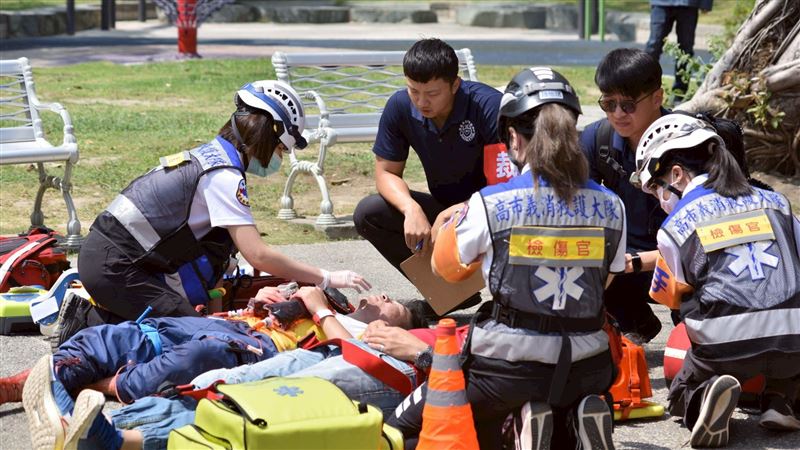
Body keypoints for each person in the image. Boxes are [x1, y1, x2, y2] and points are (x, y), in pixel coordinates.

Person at [391, 67, 624, 449]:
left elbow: (444, 270)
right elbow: (606, 281)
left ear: (513, 138)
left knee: (403, 429)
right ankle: (565, 424)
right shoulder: (613, 205)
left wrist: (458, 226)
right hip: (589, 365)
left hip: (508, 368)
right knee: (551, 393)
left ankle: (519, 428)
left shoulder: (491, 203)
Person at [62, 80, 371, 341]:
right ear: (268, 133)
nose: (278, 158)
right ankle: (87, 326)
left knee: (190, 316)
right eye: (280, 148)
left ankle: (99, 321)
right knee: (198, 336)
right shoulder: (224, 175)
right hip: (115, 266)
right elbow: (258, 255)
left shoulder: (210, 156)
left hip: (109, 257)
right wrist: (326, 277)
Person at [17, 287, 424, 450]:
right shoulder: (339, 303)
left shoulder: (385, 341)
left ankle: (113, 435)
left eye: (395, 306)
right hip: (252, 331)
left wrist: (321, 311)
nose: (384, 297)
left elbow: (355, 351)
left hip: (310, 356)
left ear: (404, 328)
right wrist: (271, 296)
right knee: (202, 378)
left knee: (236, 401)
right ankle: (74, 415)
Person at [630, 113, 800, 447]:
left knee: (680, 385)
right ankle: (782, 401)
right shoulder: (778, 202)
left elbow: (672, 295)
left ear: (676, 174)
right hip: (794, 337)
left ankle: (704, 395)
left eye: (657, 188)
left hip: (725, 345)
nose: (659, 199)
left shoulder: (674, 226)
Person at [353, 38, 512, 313]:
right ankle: (451, 294)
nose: (421, 102)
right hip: (443, 210)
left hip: (492, 211)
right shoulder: (400, 106)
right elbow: (386, 172)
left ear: (455, 84)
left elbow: (508, 190)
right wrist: (411, 209)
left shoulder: (489, 106)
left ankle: (511, 301)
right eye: (413, 90)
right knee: (369, 212)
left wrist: (458, 212)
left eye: (432, 93)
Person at [580, 48, 668, 344]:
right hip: (625, 259)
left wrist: (642, 260)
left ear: (657, 98)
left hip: (679, 258)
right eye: (609, 103)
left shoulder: (689, 142)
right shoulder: (596, 139)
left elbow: (703, 237)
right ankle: (634, 322)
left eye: (628, 104)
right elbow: (577, 209)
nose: (617, 114)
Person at [644, 0, 713, 101]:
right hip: (661, 3)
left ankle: (679, 94)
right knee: (653, 46)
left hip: (688, 4)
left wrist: (706, 3)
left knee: (685, 50)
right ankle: (644, 88)